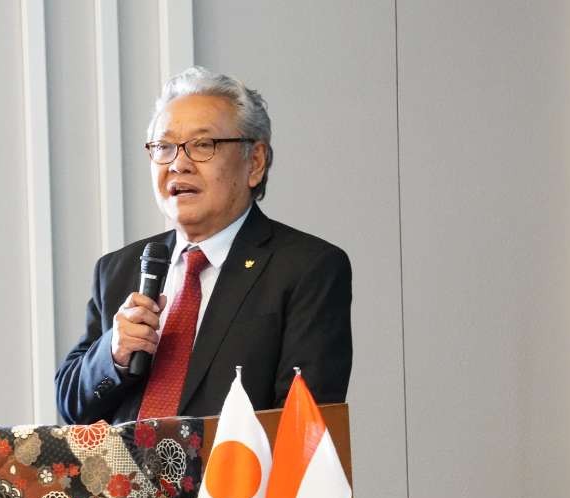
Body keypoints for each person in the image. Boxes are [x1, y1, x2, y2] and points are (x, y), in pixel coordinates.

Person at [56, 66, 352, 424]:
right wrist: (114, 355)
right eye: (164, 147)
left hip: (236, 478)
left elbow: (301, 426)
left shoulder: (306, 268)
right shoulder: (120, 268)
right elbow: (70, 408)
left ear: (254, 162)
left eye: (202, 145)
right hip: (122, 480)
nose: (179, 164)